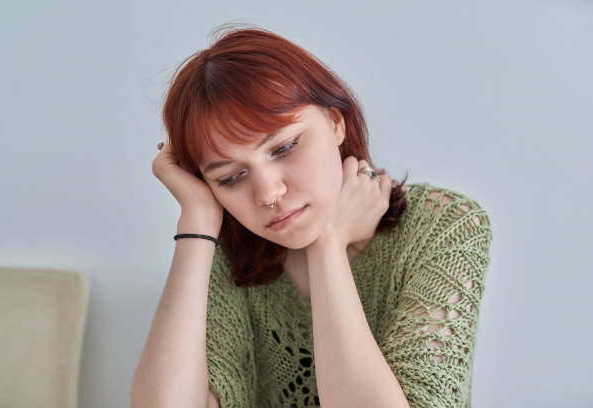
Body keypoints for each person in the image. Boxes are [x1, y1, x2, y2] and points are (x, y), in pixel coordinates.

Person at [131, 24, 493, 408]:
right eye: (231, 177)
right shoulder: (229, 258)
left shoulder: (443, 226)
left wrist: (326, 244)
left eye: (284, 147)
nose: (269, 193)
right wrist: (197, 222)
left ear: (336, 123)